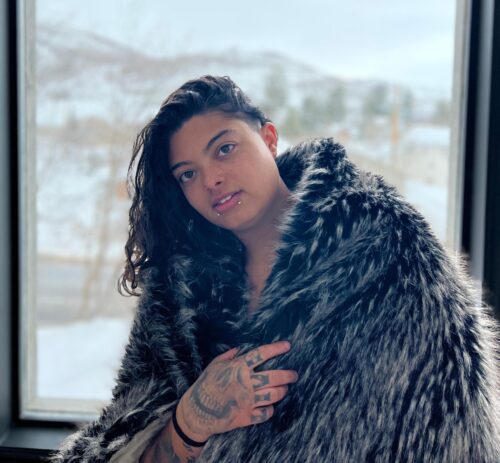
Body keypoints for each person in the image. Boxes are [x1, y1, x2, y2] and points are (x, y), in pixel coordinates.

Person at [51, 75, 500, 462]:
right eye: (187, 174)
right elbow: (113, 445)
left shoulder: (387, 248)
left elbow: (455, 433)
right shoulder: (177, 295)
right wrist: (190, 422)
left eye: (224, 149)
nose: (211, 180)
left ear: (268, 138)